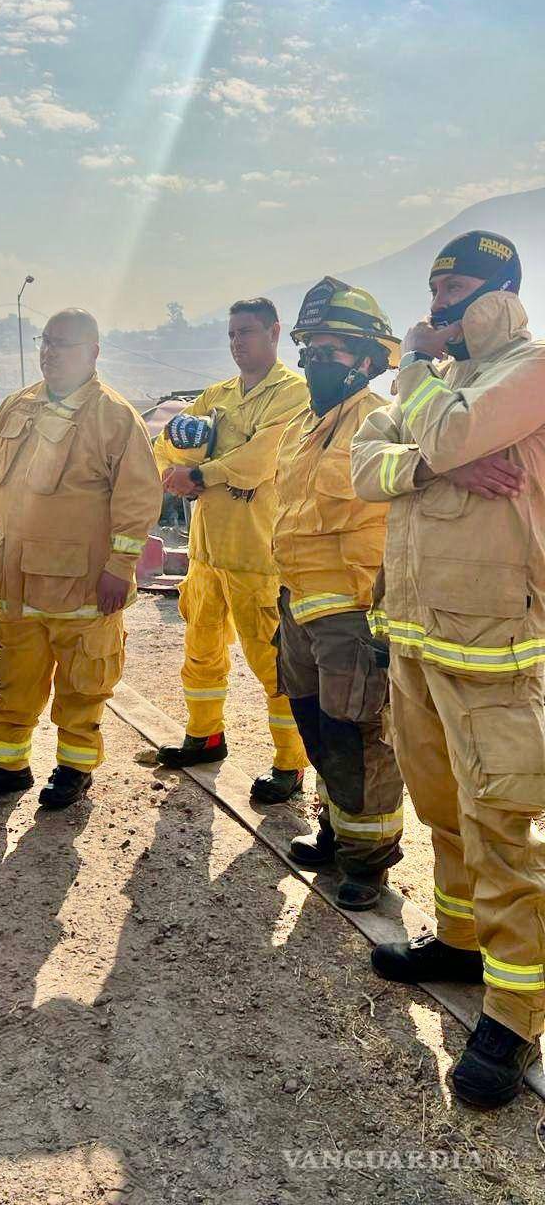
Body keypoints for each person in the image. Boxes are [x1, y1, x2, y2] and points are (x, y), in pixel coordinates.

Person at [351, 230, 545, 1107]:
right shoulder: (441, 382)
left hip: (497, 647)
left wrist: (424, 381)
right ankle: (461, 943)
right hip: (419, 641)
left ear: (496, 291)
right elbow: (367, 466)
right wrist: (437, 464)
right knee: (442, 810)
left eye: (454, 288)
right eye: (430, 289)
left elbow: (461, 426)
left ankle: (515, 1013)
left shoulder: (527, 367)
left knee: (502, 824)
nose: (435, 304)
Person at [0, 308, 162, 810]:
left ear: (92, 352)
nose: (50, 352)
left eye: (63, 344)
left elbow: (137, 500)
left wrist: (120, 568)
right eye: (46, 342)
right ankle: (7, 766)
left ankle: (74, 769)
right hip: (18, 579)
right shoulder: (17, 407)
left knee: (82, 684)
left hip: (85, 584)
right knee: (13, 680)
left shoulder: (114, 417)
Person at [273, 279, 404, 910]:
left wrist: (380, 618)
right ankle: (334, 829)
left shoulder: (380, 420)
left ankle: (368, 860)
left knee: (358, 735)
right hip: (299, 603)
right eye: (310, 348)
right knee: (318, 726)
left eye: (330, 349)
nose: (315, 361)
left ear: (368, 357)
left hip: (352, 611)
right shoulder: (310, 424)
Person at [153, 297, 310, 801]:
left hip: (257, 555)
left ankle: (290, 763)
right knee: (200, 649)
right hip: (206, 552)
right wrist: (180, 466)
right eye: (231, 334)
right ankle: (205, 736)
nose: (237, 342)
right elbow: (166, 442)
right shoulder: (217, 394)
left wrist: (200, 472)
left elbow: (263, 458)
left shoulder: (293, 393)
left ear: (274, 332)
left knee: (275, 664)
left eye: (246, 331)